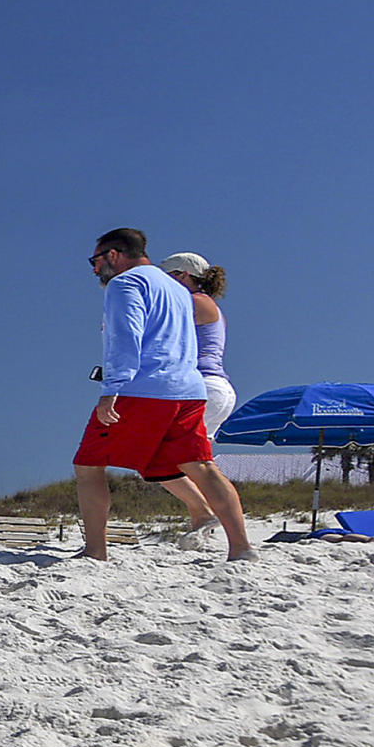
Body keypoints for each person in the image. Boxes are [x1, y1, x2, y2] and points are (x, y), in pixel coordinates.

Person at [75, 229, 252, 561]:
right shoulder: (179, 291)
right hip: (190, 389)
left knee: (88, 466)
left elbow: (126, 338)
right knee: (202, 467)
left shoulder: (125, 284)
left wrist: (112, 388)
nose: (95, 269)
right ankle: (242, 548)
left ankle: (96, 551)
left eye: (95, 261)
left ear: (114, 255)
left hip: (144, 389)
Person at [148, 251, 236, 532]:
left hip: (202, 388)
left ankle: (205, 513)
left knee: (155, 457)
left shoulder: (195, 302)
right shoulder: (203, 304)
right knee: (194, 463)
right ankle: (208, 516)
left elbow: (158, 330)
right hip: (212, 389)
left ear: (184, 275)